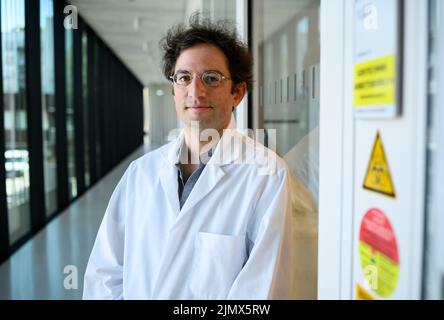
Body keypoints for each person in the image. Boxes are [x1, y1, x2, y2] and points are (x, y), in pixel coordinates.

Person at [83, 14, 299, 299]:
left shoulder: (267, 175)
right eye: (184, 77)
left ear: (238, 92)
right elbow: (104, 276)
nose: (195, 91)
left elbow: (261, 294)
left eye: (211, 78)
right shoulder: (140, 173)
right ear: (174, 90)